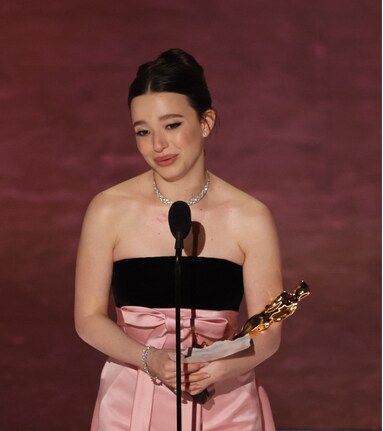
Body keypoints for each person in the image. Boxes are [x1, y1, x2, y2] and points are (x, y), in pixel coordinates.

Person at [75, 48, 281, 431]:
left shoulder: (249, 217)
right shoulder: (108, 210)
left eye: (171, 125)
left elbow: (267, 331)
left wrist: (218, 368)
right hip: (132, 401)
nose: (158, 145)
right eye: (143, 131)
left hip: (224, 403)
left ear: (205, 123)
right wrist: (149, 358)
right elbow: (88, 319)